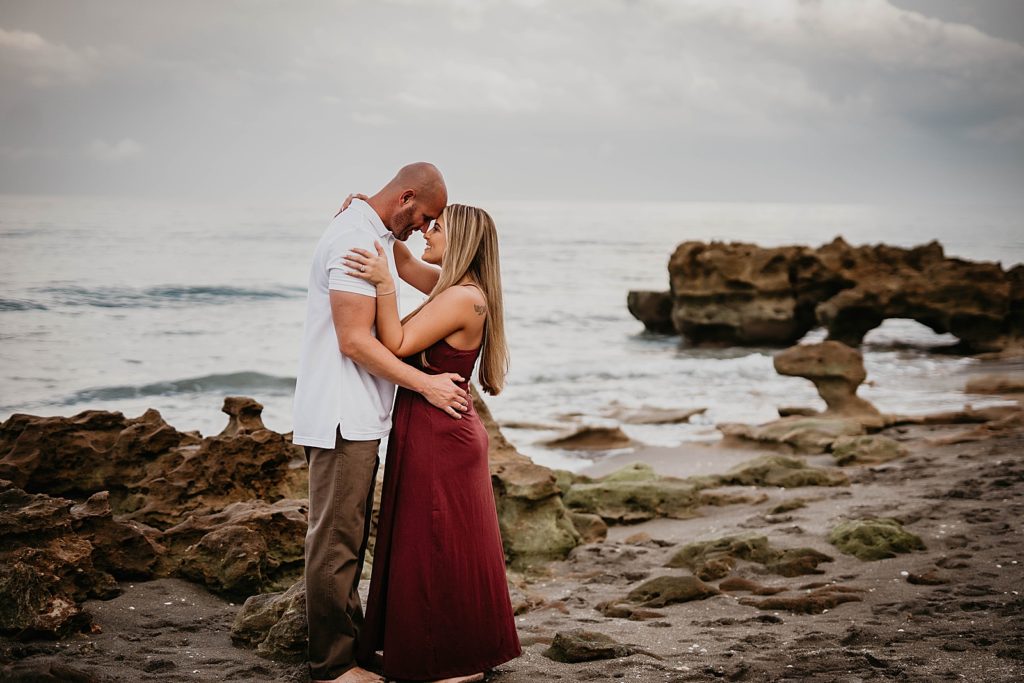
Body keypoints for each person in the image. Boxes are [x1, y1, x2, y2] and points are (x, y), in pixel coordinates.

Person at [292, 162, 472, 683]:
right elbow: (354, 340)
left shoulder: (372, 233)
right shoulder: (355, 240)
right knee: (335, 542)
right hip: (341, 414)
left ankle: (351, 650)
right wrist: (426, 384)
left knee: (349, 536)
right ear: (407, 197)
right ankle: (332, 666)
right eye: (425, 218)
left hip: (360, 414)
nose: (423, 229)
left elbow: (431, 281)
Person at [342, 204, 522, 682]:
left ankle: (455, 662)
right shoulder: (457, 289)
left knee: (439, 545)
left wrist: (381, 286)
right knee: (430, 542)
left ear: (459, 239)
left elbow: (396, 343)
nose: (426, 232)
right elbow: (401, 260)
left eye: (435, 228)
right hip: (433, 426)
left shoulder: (463, 298)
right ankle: (438, 649)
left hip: (440, 432)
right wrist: (369, 212)